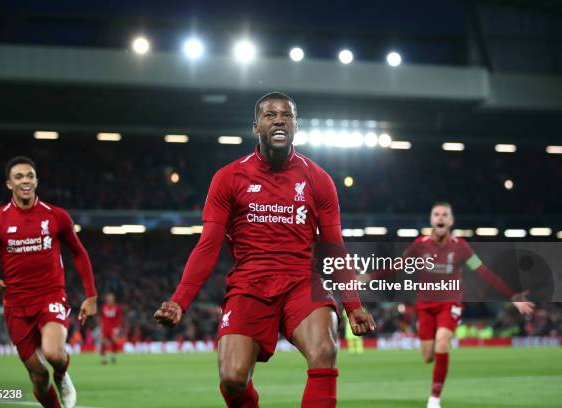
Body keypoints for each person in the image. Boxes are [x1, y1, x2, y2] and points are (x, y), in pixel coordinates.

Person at [154, 92, 375, 407]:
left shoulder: (319, 180)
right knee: (232, 379)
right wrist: (180, 300)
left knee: (324, 351)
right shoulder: (229, 178)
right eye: (271, 115)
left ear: (296, 126)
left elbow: (334, 247)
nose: (280, 119)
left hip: (301, 282)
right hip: (249, 284)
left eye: (287, 115)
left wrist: (353, 305)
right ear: (256, 126)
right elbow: (208, 245)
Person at [371, 202, 534, 408]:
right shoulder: (420, 244)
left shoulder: (461, 247)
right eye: (436, 214)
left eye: (444, 215)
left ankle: (434, 399)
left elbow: (484, 272)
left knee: (442, 342)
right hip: (425, 305)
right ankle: (434, 368)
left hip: (450, 303)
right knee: (428, 355)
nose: (440, 218)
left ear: (450, 220)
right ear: (431, 220)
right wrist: (370, 276)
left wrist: (512, 296)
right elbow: (398, 265)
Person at [0, 156, 97, 408]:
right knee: (38, 376)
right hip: (16, 305)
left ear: (36, 180)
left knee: (53, 354)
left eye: (30, 175)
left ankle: (62, 375)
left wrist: (91, 295)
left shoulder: (56, 216)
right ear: (9, 184)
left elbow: (79, 253)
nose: (25, 180)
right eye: (19, 177)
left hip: (50, 295)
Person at [100, 292, 123, 364]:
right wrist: (101, 326)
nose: (110, 300)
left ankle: (113, 356)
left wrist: (117, 328)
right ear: (107, 299)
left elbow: (119, 319)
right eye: (109, 298)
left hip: (113, 328)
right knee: (103, 343)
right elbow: (102, 318)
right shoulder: (103, 307)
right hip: (105, 328)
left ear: (113, 299)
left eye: (111, 298)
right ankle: (104, 358)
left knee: (114, 342)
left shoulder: (117, 308)